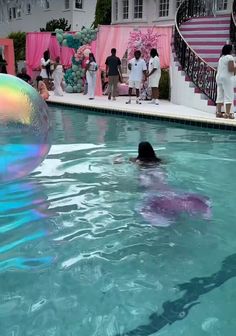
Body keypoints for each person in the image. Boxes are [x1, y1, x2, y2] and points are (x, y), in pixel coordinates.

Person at [216, 44, 236, 119]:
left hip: (219, 77)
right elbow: (231, 69)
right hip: (226, 78)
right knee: (229, 95)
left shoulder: (221, 58)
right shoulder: (229, 57)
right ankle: (227, 113)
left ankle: (218, 112)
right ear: (230, 50)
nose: (233, 50)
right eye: (232, 49)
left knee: (220, 94)